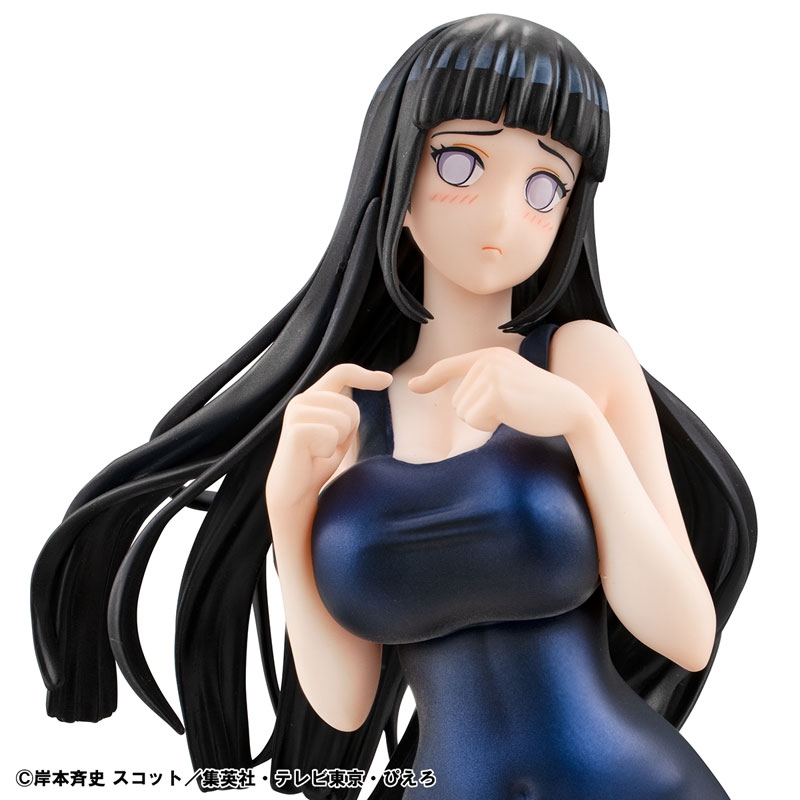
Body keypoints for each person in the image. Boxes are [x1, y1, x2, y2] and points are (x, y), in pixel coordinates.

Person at [31, 14, 756, 799]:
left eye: (544, 185)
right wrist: (288, 504)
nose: (503, 215)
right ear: (397, 178)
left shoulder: (581, 361)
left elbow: (686, 635)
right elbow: (343, 706)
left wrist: (582, 426)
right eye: (461, 162)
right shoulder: (350, 414)